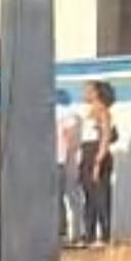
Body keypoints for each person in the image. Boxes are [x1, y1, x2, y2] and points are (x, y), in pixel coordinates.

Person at [78, 80, 116, 248]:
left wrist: (98, 162)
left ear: (96, 93)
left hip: (97, 155)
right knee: (89, 198)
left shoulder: (103, 113)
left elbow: (105, 138)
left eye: (88, 90)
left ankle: (105, 236)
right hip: (86, 154)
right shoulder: (89, 113)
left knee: (101, 197)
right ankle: (89, 235)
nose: (85, 93)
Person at [56, 89, 83, 245]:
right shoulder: (68, 115)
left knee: (57, 198)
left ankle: (61, 232)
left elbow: (71, 139)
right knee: (59, 198)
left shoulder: (65, 115)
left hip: (59, 160)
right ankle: (61, 233)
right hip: (60, 159)